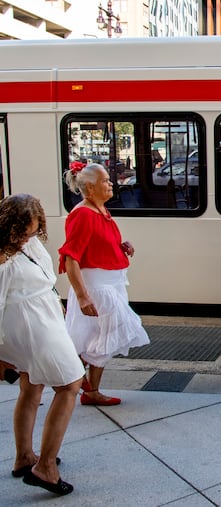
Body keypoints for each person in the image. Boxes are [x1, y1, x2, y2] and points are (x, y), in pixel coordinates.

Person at [0, 194, 83, 496]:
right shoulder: (2, 258)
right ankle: (45, 467)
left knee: (32, 385)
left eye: (33, 229)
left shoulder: (29, 243)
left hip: (42, 319)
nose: (29, 234)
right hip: (30, 327)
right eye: (23, 229)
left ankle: (24, 457)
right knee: (71, 384)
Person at [59, 163, 150, 406]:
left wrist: (121, 246)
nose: (111, 183)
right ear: (90, 187)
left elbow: (96, 245)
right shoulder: (83, 214)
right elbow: (71, 258)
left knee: (102, 335)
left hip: (111, 284)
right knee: (109, 331)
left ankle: (89, 389)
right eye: (105, 180)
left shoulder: (100, 210)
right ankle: (74, 376)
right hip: (97, 288)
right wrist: (82, 296)